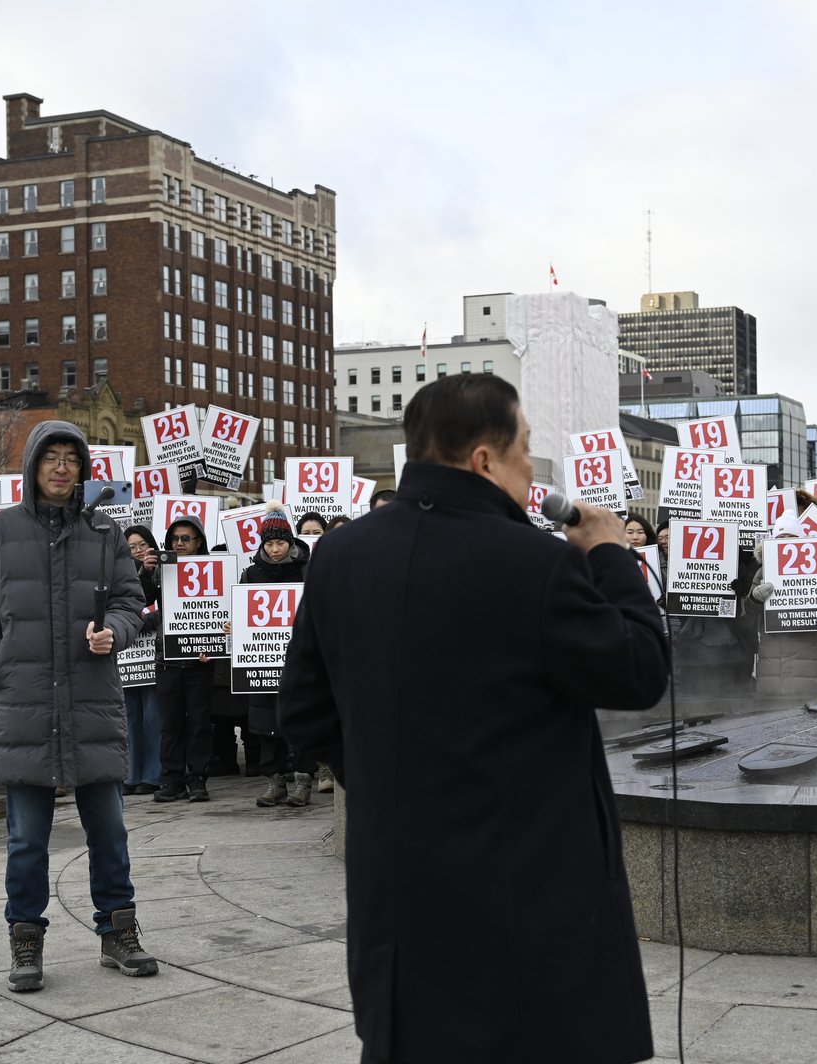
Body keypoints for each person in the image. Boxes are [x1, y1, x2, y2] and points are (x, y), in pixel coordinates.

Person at [278, 374, 667, 1063]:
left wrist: (393, 790)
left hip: (397, 892)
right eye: (525, 449)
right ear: (485, 460)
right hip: (527, 900)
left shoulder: (338, 556)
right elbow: (638, 671)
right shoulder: (538, 564)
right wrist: (610, 554)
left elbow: (304, 714)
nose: (531, 469)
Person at [0, 420, 156, 993]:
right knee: (26, 838)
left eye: (72, 457)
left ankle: (118, 933)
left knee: (110, 831)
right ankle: (25, 942)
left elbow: (130, 601)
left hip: (91, 703)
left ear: (84, 469)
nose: (62, 466)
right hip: (25, 707)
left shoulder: (105, 531)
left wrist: (114, 633)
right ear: (34, 466)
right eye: (52, 457)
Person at [238, 504, 312, 807]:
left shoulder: (307, 570)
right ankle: (275, 781)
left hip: (301, 659)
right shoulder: (251, 573)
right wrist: (236, 622)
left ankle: (303, 781)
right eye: (269, 543)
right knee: (267, 722)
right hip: (263, 661)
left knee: (302, 718)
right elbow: (242, 610)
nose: (275, 548)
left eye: (280, 542)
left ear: (290, 542)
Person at [150, 513, 216, 802]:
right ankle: (172, 779)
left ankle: (198, 778)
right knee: (171, 722)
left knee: (200, 721)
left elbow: (218, 610)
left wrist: (212, 642)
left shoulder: (214, 569)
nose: (178, 543)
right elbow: (138, 599)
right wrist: (144, 571)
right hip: (168, 658)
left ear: (198, 541)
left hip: (200, 659)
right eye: (174, 539)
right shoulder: (161, 569)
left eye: (185, 538)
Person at [749, 514, 817, 698]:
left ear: (800, 540)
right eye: (780, 538)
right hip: (773, 663)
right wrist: (755, 598)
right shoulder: (764, 571)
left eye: (791, 537)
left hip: (807, 660)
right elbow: (749, 611)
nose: (785, 542)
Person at [121, 526, 162, 796]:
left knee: (153, 717)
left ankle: (153, 775)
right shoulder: (115, 574)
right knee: (128, 718)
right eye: (131, 546)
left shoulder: (161, 571)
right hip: (126, 659)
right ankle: (130, 774)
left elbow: (162, 606)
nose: (137, 550)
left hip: (154, 657)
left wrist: (136, 620)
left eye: (142, 544)